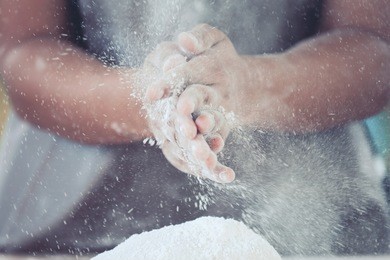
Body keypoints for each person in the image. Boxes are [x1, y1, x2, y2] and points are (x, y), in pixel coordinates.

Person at [0, 0, 389, 256]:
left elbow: (373, 49)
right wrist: (147, 100)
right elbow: (24, 51)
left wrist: (248, 85)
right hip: (66, 230)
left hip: (317, 234)